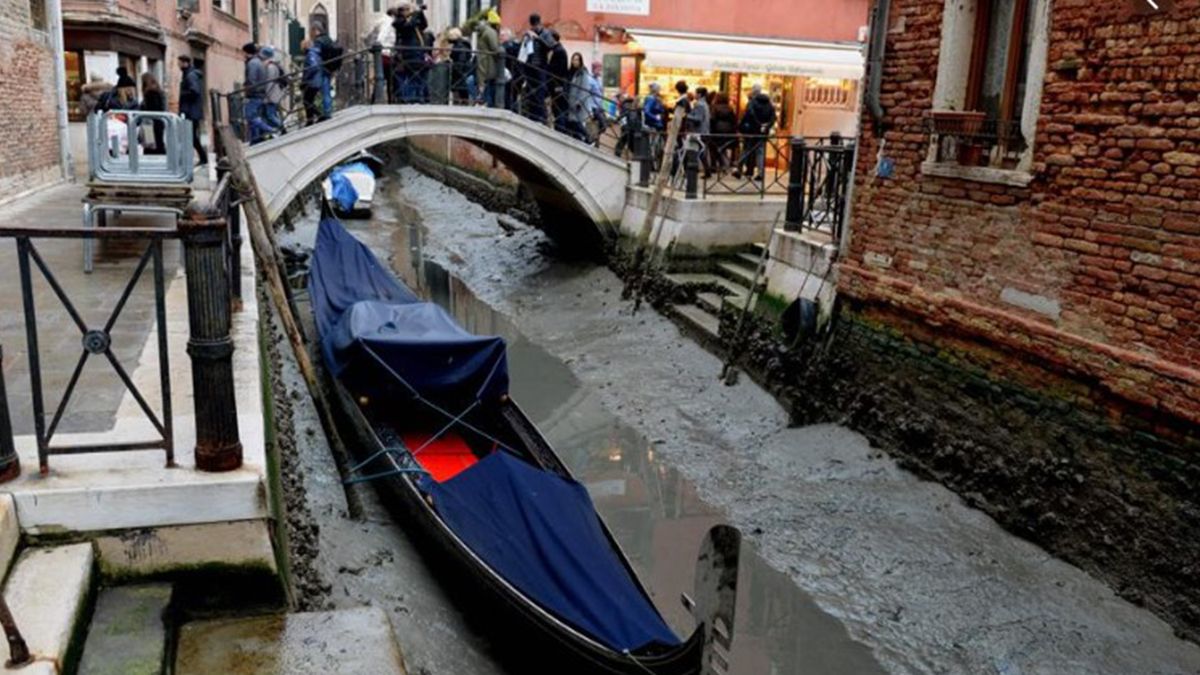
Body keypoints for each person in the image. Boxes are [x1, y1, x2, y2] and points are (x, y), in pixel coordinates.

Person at [736, 83, 777, 180]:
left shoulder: (752, 102)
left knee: (746, 150)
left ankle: (739, 169)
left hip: (751, 131)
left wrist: (755, 125)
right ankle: (760, 173)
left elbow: (749, 115)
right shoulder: (769, 104)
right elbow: (773, 117)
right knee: (760, 152)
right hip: (763, 132)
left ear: (753, 91)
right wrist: (766, 126)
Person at [519, 13, 554, 122]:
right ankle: (532, 116)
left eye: (536, 25)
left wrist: (538, 38)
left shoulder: (546, 33)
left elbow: (550, 46)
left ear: (539, 23)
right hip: (530, 67)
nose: (534, 27)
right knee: (531, 92)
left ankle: (541, 118)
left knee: (540, 92)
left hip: (541, 67)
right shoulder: (529, 33)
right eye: (533, 25)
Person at [393, 2, 429, 103]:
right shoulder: (398, 22)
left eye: (409, 9)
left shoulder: (412, 19)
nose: (409, 11)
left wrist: (421, 12)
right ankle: (411, 99)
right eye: (407, 9)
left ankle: (419, 98)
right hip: (408, 53)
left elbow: (424, 25)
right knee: (411, 76)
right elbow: (409, 26)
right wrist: (416, 13)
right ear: (401, 11)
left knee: (419, 77)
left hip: (418, 52)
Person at [468, 9, 504, 108]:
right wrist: (501, 48)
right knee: (489, 85)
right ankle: (486, 103)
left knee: (482, 83)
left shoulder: (483, 31)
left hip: (482, 61)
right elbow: (495, 48)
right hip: (489, 62)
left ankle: (481, 100)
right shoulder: (490, 32)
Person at [177, 55, 207, 165]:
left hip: (190, 111)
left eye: (179, 63)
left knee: (190, 136)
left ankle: (198, 158)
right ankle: (201, 158)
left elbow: (195, 91)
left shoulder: (190, 76)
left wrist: (183, 94)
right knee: (191, 136)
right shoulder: (189, 74)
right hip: (191, 110)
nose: (178, 65)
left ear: (185, 63)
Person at [241, 42, 272, 143]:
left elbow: (251, 80)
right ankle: (255, 140)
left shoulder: (252, 63)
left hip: (254, 94)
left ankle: (271, 130)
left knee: (249, 116)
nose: (243, 55)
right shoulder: (259, 62)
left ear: (247, 52)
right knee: (255, 117)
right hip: (260, 94)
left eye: (244, 53)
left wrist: (247, 90)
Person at [261, 47, 287, 136]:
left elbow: (269, 82)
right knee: (271, 114)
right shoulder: (275, 65)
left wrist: (266, 95)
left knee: (270, 115)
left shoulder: (271, 67)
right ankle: (275, 131)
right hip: (274, 93)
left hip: (271, 94)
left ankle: (282, 128)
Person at [139, 71, 167, 155]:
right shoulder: (158, 91)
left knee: (150, 145)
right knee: (158, 143)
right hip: (158, 122)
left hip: (150, 122)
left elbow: (151, 108)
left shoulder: (150, 93)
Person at [709, 91, 737, 174]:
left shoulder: (715, 107)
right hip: (728, 131)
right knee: (723, 148)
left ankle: (716, 166)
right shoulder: (730, 108)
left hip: (717, 130)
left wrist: (711, 129)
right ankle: (724, 165)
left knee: (714, 148)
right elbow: (733, 120)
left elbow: (712, 119)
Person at [302, 39, 327, 125]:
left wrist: (305, 78)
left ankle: (318, 116)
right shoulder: (316, 53)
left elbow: (313, 67)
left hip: (312, 81)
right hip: (316, 80)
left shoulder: (311, 54)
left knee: (307, 100)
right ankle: (310, 119)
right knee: (309, 100)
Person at [547, 31, 569, 132]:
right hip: (557, 84)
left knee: (558, 109)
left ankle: (560, 130)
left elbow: (558, 69)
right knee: (557, 109)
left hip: (557, 85)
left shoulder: (558, 51)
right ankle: (560, 129)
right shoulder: (558, 49)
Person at [446, 27, 473, 104]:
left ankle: (459, 105)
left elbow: (461, 60)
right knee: (462, 93)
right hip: (463, 72)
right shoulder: (463, 45)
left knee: (459, 91)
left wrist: (457, 69)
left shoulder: (459, 46)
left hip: (460, 74)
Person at [691, 86, 712, 177]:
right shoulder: (705, 104)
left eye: (696, 93)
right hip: (705, 130)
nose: (694, 95)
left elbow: (698, 119)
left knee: (699, 151)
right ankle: (707, 171)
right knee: (702, 151)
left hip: (699, 131)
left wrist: (687, 115)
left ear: (699, 94)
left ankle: (698, 170)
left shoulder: (699, 104)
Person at [501, 28, 521, 112]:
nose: (500, 37)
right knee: (513, 96)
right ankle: (513, 111)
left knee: (507, 95)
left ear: (506, 36)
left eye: (502, 35)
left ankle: (509, 110)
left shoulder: (504, 47)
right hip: (517, 74)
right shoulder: (517, 46)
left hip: (508, 74)